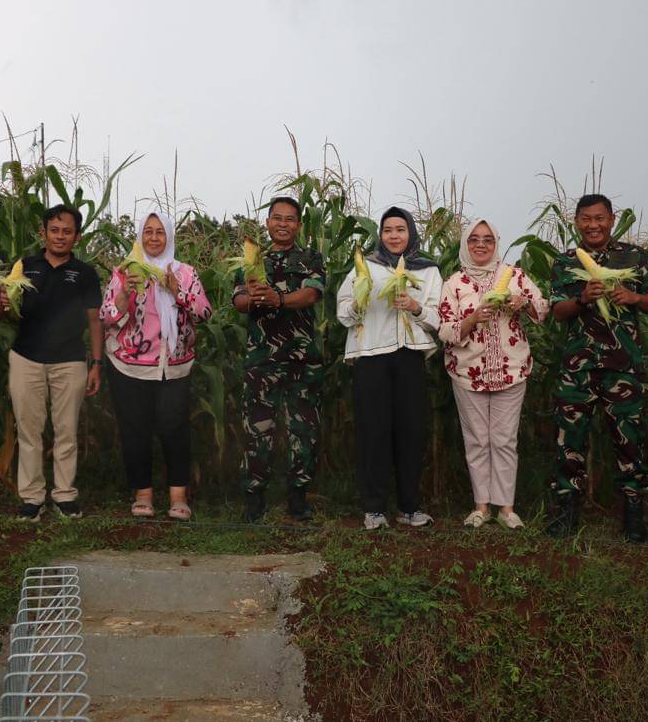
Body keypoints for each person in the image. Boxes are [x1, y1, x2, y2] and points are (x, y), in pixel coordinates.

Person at [546, 194, 648, 540]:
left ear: (612, 219)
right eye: (586, 219)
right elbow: (558, 312)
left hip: (622, 366)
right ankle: (566, 511)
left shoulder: (635, 257)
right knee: (569, 442)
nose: (593, 225)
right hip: (578, 367)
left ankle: (633, 514)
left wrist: (634, 297)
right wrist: (582, 298)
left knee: (630, 442)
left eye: (600, 218)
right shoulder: (565, 261)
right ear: (576, 222)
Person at [0, 204, 103, 522]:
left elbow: (95, 320)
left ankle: (65, 495)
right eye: (54, 230)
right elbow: (0, 314)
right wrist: (2, 302)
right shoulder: (25, 266)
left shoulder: (85, 274)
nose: (60, 236)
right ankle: (32, 498)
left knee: (66, 430)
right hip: (26, 357)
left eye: (67, 231)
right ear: (44, 233)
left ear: (77, 236)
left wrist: (97, 363)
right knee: (29, 430)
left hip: (69, 361)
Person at [438, 219, 549, 529]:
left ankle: (506, 509)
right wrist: (473, 318)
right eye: (474, 239)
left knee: (504, 440)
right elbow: (445, 330)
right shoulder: (454, 283)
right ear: (466, 244)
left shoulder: (515, 275)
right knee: (477, 440)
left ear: (496, 243)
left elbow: (542, 309)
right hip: (467, 373)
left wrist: (523, 302)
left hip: (511, 371)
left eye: (488, 239)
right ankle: (481, 507)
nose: (481, 244)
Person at [100, 211, 211, 520]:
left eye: (160, 231)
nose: (153, 237)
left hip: (174, 366)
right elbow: (106, 317)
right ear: (140, 236)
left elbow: (205, 313)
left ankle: (178, 497)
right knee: (135, 431)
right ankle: (143, 495)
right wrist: (125, 294)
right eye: (147, 231)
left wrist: (177, 291)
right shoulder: (125, 272)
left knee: (175, 430)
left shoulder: (185, 273)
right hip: (129, 366)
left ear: (169, 236)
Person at [337, 207, 443, 530]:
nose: (394, 236)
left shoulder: (428, 270)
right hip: (371, 355)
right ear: (380, 235)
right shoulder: (366, 266)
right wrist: (359, 302)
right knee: (374, 431)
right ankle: (374, 509)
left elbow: (439, 318)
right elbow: (342, 311)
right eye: (387, 230)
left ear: (411, 232)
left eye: (400, 229)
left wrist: (415, 307)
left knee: (411, 432)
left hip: (410, 356)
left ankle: (409, 507)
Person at [232, 196, 325, 523]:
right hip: (262, 360)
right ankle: (254, 498)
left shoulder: (311, 258)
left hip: (302, 360)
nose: (283, 224)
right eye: (277, 218)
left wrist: (279, 299)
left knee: (304, 431)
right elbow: (238, 301)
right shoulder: (252, 260)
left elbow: (312, 294)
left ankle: (298, 499)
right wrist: (254, 298)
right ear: (268, 222)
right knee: (258, 430)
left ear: (298, 225)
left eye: (289, 219)